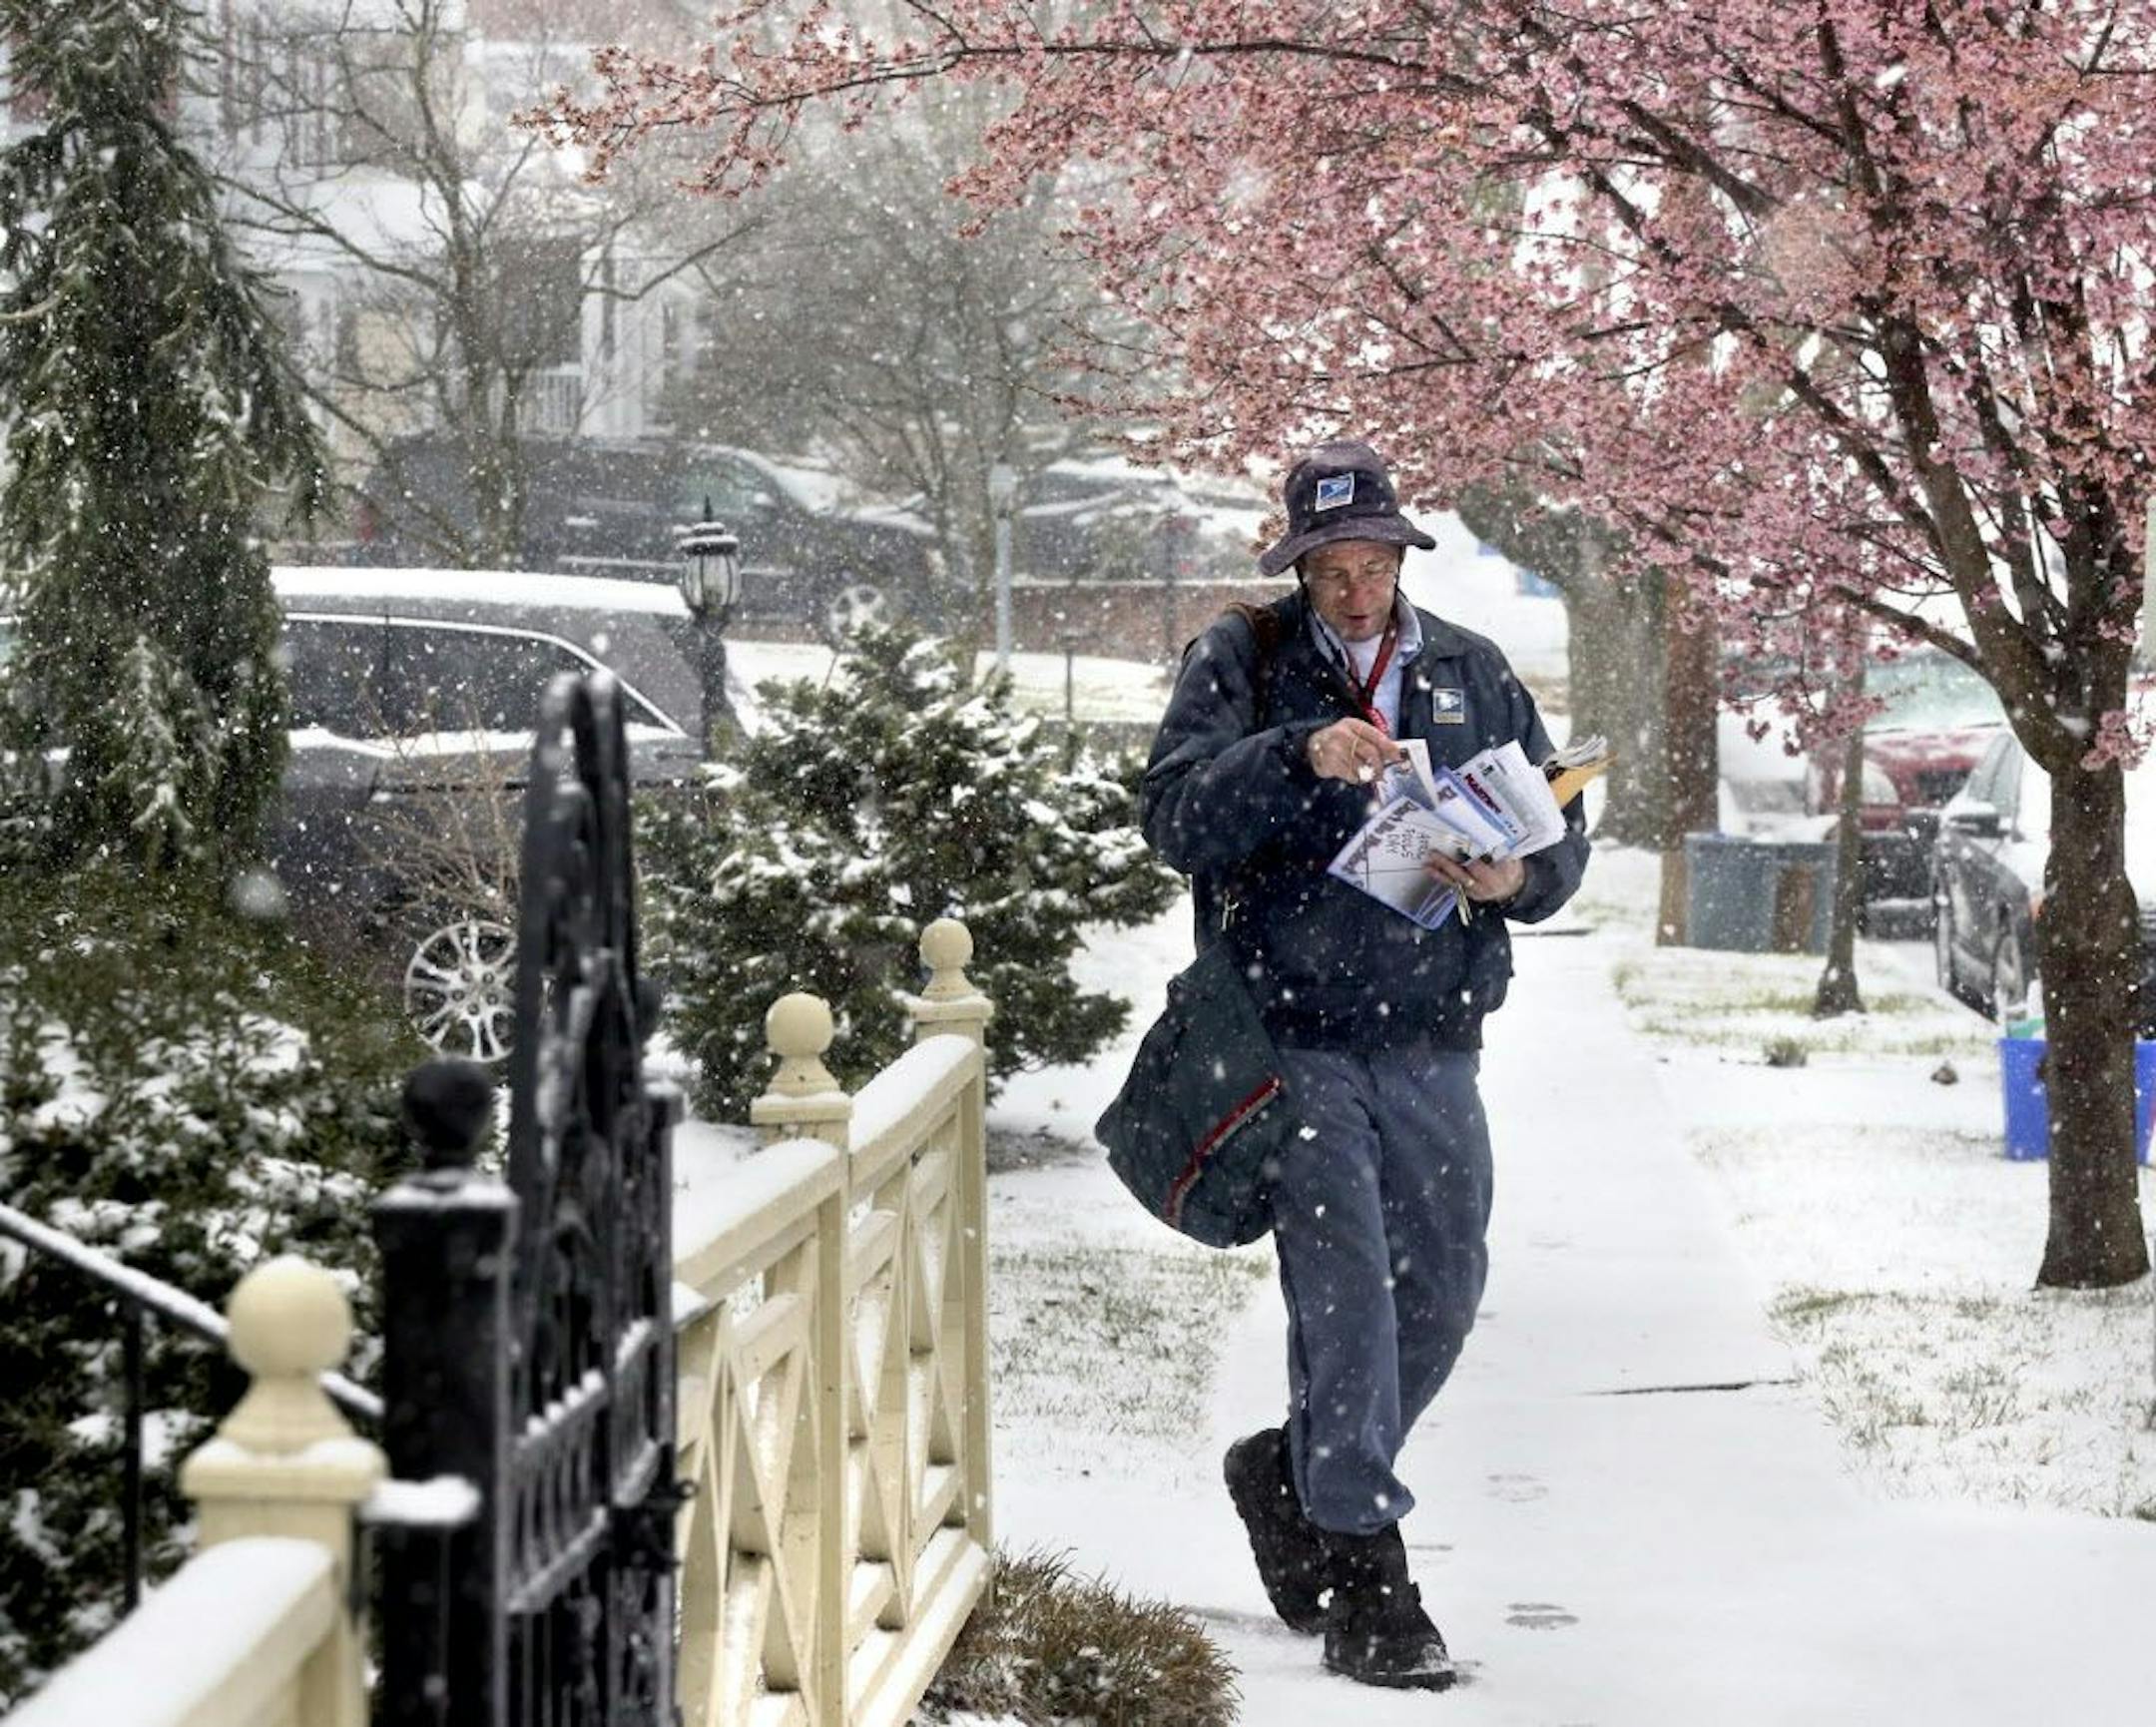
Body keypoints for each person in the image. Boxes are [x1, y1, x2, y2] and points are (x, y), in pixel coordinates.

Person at [1140, 439, 1590, 1690]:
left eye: (1372, 564)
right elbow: (1171, 814)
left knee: (1441, 1288)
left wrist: (1521, 874)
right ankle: (1370, 1576)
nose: (1353, 590)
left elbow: (1557, 819)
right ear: (1299, 565)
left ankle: (1289, 1471)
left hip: (1437, 1030)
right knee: (1347, 1299)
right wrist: (1297, 756)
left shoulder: (1469, 667)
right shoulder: (1243, 660)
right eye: (1330, 568)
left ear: (1402, 555)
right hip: (1293, 1034)